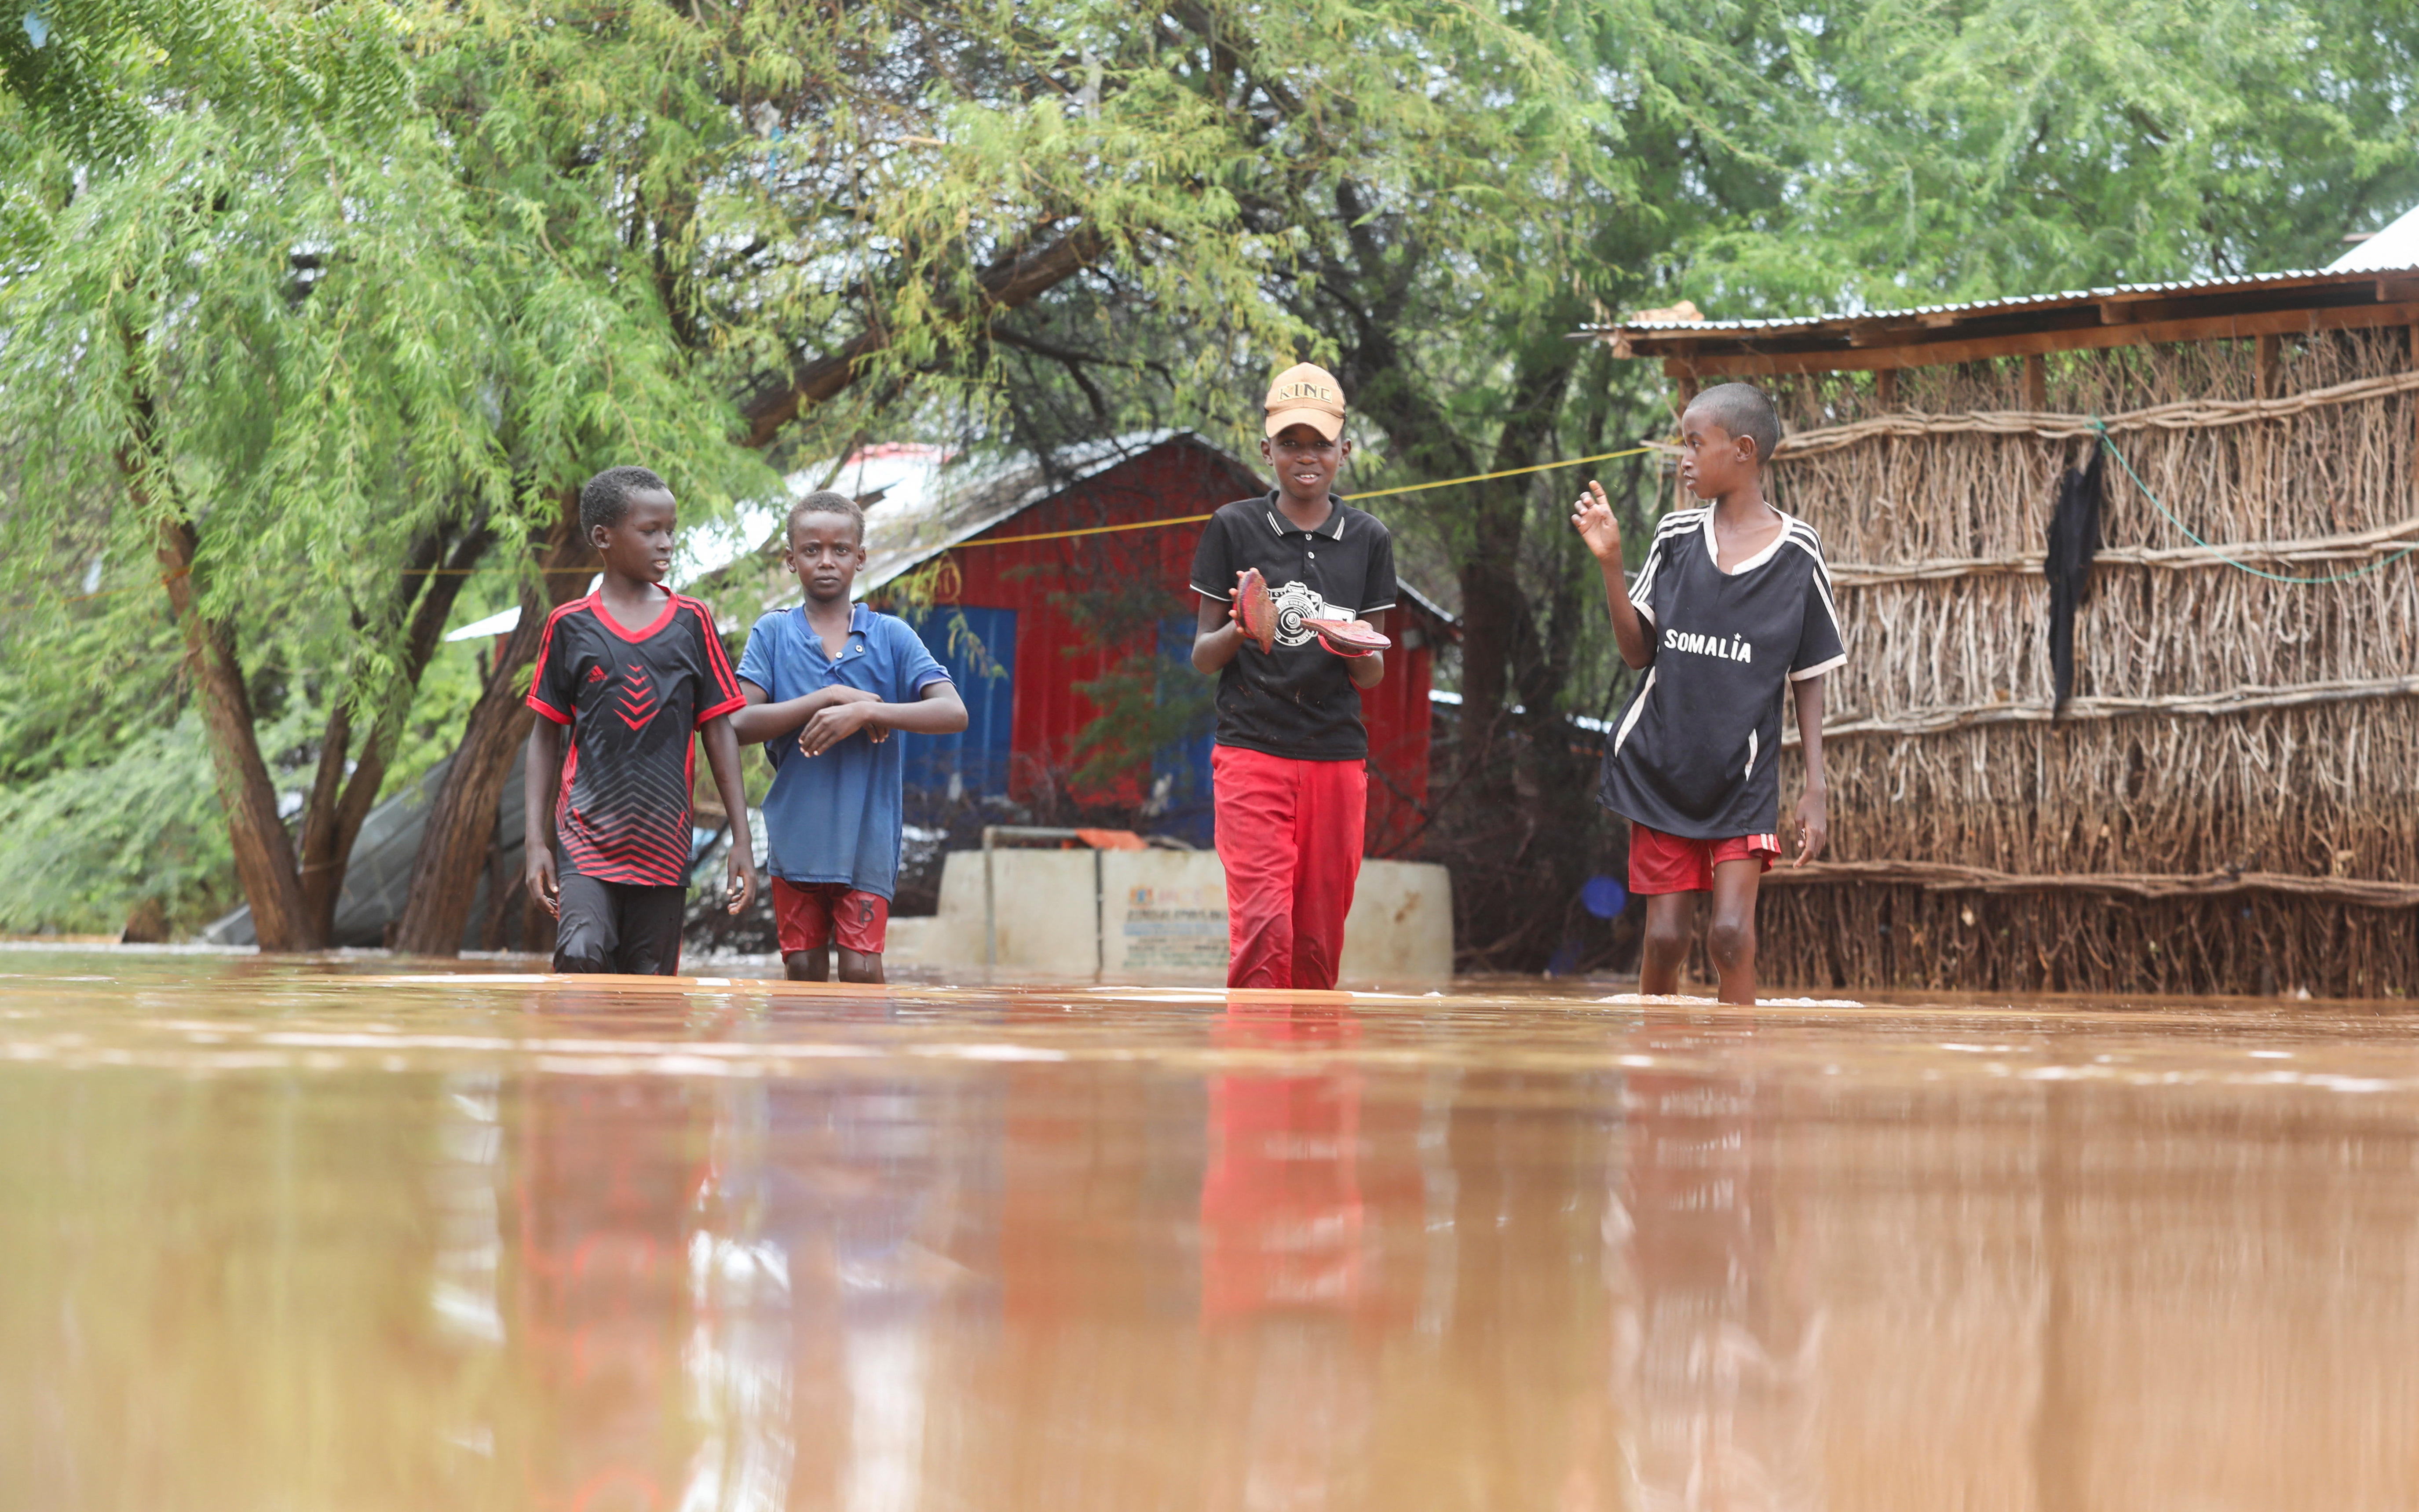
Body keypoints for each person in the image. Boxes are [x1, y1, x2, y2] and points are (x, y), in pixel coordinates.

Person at [1571, 382, 1845, 1005]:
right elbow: (1639, 651)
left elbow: (1809, 672)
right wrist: (1612, 563)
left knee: (1729, 935)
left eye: (1696, 443)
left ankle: (1736, 1075)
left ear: (1743, 449)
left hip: (1742, 777)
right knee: (1667, 939)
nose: (1684, 458)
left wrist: (1816, 785)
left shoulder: (1799, 553)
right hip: (1660, 767)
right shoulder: (1674, 537)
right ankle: (1655, 1073)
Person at [1189, 363, 1395, 990]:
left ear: (1344, 451)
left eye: (1321, 445)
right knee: (1265, 927)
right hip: (1253, 751)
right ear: (1267, 450)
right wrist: (1244, 630)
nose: (1307, 457)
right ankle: (1254, 1082)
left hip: (1336, 757)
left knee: (1316, 941)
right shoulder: (1234, 526)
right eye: (1291, 444)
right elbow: (1202, 655)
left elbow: (1374, 674)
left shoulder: (1369, 539)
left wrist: (1350, 641)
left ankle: (1312, 1085)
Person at [525, 465, 756, 975]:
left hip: (664, 844)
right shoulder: (570, 626)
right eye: (649, 531)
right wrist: (535, 842)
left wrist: (742, 839)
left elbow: (718, 731)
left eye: (671, 530)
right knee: (580, 958)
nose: (666, 543)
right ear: (603, 538)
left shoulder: (692, 622)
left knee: (648, 986)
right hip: (585, 839)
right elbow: (545, 736)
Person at [733, 491, 968, 984]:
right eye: (811, 549)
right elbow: (737, 724)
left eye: (841, 550)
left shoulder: (891, 636)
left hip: (868, 838)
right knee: (802, 969)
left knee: (862, 971)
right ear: (790, 559)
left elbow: (952, 712)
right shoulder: (772, 634)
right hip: (796, 835)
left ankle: (863, 1065)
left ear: (860, 558)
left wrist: (864, 710)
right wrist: (829, 697)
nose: (826, 561)